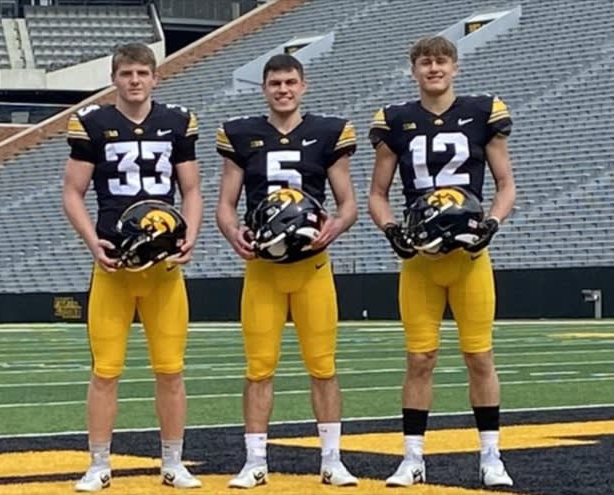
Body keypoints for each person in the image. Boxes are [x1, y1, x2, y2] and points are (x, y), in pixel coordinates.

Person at [368, 35, 516, 488]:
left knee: (479, 356)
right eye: (425, 62)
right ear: (413, 69)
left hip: (470, 257)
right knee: (420, 359)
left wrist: (490, 223)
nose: (434, 69)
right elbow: (378, 193)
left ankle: (491, 457)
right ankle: (413, 457)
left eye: (441, 61)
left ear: (455, 67)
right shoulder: (396, 120)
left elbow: (506, 184)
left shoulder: (481, 112)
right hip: (421, 261)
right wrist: (392, 230)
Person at [62, 42, 203, 492]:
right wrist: (92, 243)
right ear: (114, 79)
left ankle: (173, 462)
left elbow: (193, 190)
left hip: (162, 267)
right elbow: (72, 192)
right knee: (105, 370)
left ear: (155, 77)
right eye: (127, 74)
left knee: (171, 368)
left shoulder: (176, 122)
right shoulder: (93, 123)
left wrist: (191, 235)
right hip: (115, 266)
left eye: (143, 72)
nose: (135, 80)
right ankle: (99, 463)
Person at [215, 53, 359, 488]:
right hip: (264, 268)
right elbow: (225, 203)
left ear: (303, 85)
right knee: (259, 367)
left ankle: (332, 460)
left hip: (312, 265)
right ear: (264, 88)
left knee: (323, 365)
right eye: (275, 83)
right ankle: (255, 460)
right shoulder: (242, 135)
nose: (283, 89)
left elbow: (347, 202)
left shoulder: (326, 133)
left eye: (290, 82)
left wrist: (335, 226)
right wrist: (231, 232)